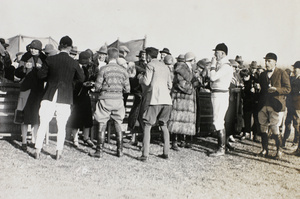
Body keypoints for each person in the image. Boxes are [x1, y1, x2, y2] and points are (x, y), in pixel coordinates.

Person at [34, 36, 85, 160]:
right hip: (65, 96)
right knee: (61, 125)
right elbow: (82, 78)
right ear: (70, 47)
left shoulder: (50, 59)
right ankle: (58, 152)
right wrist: (70, 84)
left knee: (43, 122)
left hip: (49, 94)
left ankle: (37, 150)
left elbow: (41, 75)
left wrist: (50, 79)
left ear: (59, 46)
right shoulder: (74, 62)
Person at [89, 47, 130, 158]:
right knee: (118, 123)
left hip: (105, 100)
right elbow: (128, 89)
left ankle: (99, 151)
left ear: (108, 56)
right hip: (118, 101)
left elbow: (97, 87)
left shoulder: (104, 69)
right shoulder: (123, 70)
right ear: (117, 57)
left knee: (102, 123)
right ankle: (120, 150)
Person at [137, 47, 172, 161]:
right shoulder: (165, 67)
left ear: (148, 56)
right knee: (164, 125)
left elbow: (147, 81)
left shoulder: (150, 65)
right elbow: (170, 85)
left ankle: (145, 154)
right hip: (167, 100)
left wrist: (140, 78)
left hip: (155, 99)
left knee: (147, 125)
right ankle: (166, 153)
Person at [256, 53, 291, 160]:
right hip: (263, 105)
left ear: (275, 62)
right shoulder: (262, 75)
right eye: (266, 61)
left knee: (275, 128)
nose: (266, 63)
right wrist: (257, 88)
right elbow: (262, 90)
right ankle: (264, 149)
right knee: (263, 128)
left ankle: (279, 151)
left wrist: (277, 90)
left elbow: (288, 89)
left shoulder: (281, 73)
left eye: (269, 61)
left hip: (276, 105)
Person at [14, 40, 47, 151]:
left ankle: (34, 140)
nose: (33, 50)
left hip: (37, 91)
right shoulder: (25, 57)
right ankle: (24, 141)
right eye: (31, 48)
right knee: (23, 116)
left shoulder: (44, 58)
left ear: (39, 50)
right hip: (25, 90)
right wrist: (23, 69)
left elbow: (46, 75)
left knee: (36, 117)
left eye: (35, 49)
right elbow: (17, 73)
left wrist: (40, 70)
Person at [168, 52, 198, 151]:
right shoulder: (181, 69)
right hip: (181, 98)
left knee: (182, 120)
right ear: (192, 60)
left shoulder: (189, 70)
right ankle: (174, 141)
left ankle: (181, 140)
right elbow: (181, 84)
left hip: (185, 99)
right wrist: (192, 87)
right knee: (177, 119)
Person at [208, 43, 233, 157]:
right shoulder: (222, 65)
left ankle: (221, 148)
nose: (215, 55)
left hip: (220, 95)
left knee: (217, 121)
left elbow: (212, 77)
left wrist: (212, 66)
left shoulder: (226, 66)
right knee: (218, 120)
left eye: (217, 52)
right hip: (217, 94)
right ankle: (224, 145)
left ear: (223, 53)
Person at [67, 51, 96, 148]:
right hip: (76, 96)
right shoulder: (75, 67)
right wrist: (81, 85)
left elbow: (87, 79)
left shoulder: (85, 68)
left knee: (88, 116)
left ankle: (86, 137)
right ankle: (75, 139)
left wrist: (90, 83)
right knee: (76, 117)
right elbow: (72, 81)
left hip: (84, 95)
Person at [127, 50, 147, 145]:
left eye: (145, 55)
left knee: (144, 116)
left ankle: (144, 138)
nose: (143, 56)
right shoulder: (135, 64)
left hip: (146, 93)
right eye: (142, 55)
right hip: (137, 91)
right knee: (135, 114)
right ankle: (133, 137)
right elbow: (131, 75)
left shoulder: (150, 65)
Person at [283, 62, 300, 154]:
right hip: (290, 105)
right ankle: (284, 140)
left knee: (297, 124)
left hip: (298, 105)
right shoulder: (292, 78)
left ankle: (297, 143)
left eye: (296, 68)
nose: (294, 70)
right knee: (288, 122)